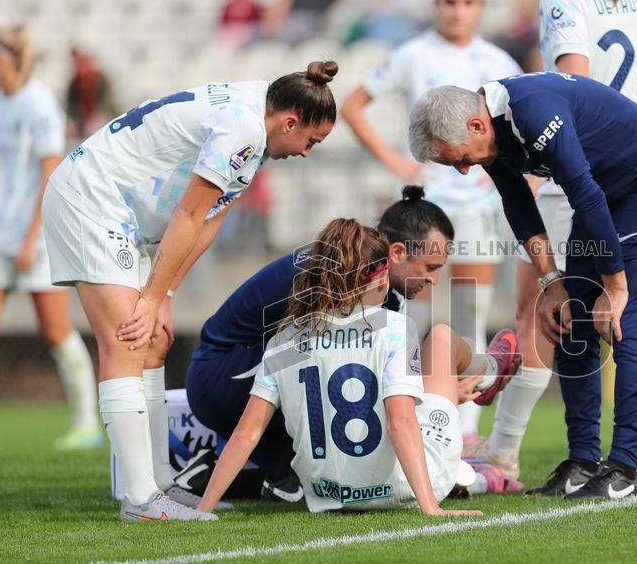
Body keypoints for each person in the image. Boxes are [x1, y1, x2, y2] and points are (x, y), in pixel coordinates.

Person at [41, 60, 340, 521]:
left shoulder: (262, 108)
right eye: (310, 141)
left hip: (124, 212)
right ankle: (140, 499)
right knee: (127, 338)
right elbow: (186, 216)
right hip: (92, 198)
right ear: (290, 122)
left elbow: (210, 218)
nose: (306, 153)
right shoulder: (243, 127)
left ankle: (159, 482)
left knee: (155, 342)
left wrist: (167, 294)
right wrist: (152, 297)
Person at [408, 72, 637, 500]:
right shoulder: (493, 127)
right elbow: (518, 202)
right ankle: (582, 460)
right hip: (603, 196)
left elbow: (585, 193)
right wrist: (551, 281)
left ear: (475, 126)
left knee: (624, 322)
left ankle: (624, 466)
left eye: (461, 159)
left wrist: (615, 286)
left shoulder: (535, 113)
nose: (465, 170)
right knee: (571, 321)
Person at [183, 186, 522, 498]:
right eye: (431, 268)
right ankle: (487, 377)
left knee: (319, 480)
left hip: (227, 377)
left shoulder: (366, 276)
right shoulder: (349, 281)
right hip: (226, 376)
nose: (434, 281)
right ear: (399, 252)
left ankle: (214, 475)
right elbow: (349, 372)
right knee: (387, 442)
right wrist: (437, 392)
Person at [486, 0, 637, 487]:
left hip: (583, 164)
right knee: (633, 316)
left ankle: (506, 454)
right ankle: (636, 456)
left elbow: (576, 84)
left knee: (549, 310)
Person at [340, 0, 522, 444]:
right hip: (425, 206)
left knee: (468, 312)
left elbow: (518, 124)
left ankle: (464, 427)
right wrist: (394, 160)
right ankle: (404, 409)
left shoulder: (498, 60)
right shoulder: (412, 54)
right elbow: (354, 105)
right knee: (409, 308)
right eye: (449, 1)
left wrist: (506, 169)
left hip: (479, 200)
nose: (457, 10)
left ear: (480, 6)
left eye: (467, 2)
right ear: (437, 4)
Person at [0, 25, 100, 453]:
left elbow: (50, 174)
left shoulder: (39, 105)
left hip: (35, 236)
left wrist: (33, 238)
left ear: (4, 59)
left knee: (56, 330)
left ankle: (87, 423)